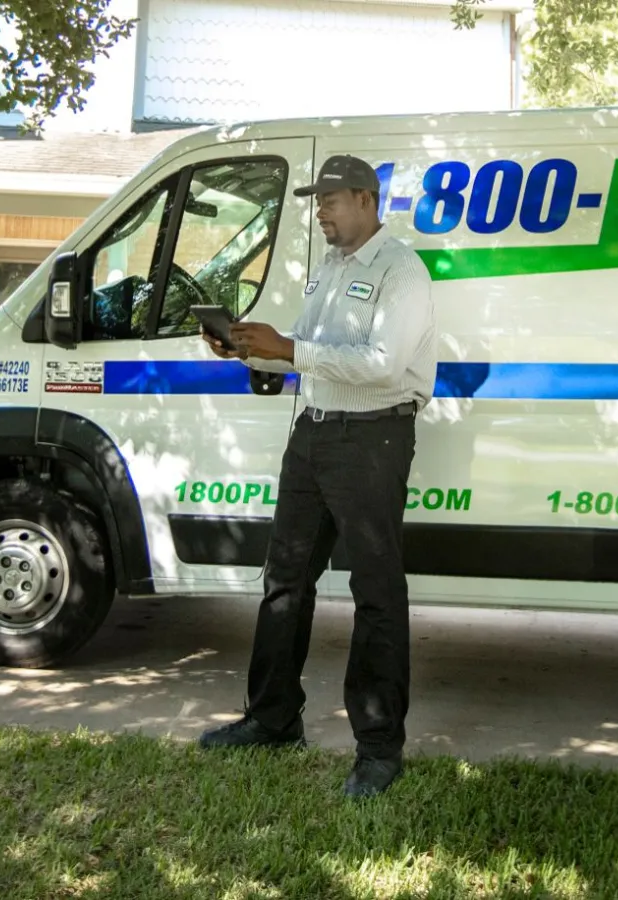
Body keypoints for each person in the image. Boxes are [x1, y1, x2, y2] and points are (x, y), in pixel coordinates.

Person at [195, 154, 437, 799]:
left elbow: (384, 366)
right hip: (314, 433)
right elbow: (312, 354)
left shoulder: (401, 271)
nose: (321, 211)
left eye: (330, 199)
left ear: (364, 197)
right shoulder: (329, 269)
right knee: (285, 580)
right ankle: (273, 718)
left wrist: (291, 349)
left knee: (376, 591)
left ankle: (379, 749)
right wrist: (255, 351)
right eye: (317, 201)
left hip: (373, 437)